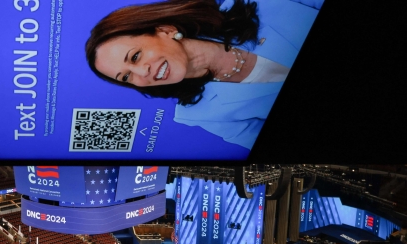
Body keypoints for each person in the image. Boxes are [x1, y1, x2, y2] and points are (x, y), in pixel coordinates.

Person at [85, 0, 322, 149]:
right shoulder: (198, 114)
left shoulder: (251, 3)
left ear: (165, 30)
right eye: (126, 77)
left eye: (135, 56)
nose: (141, 73)